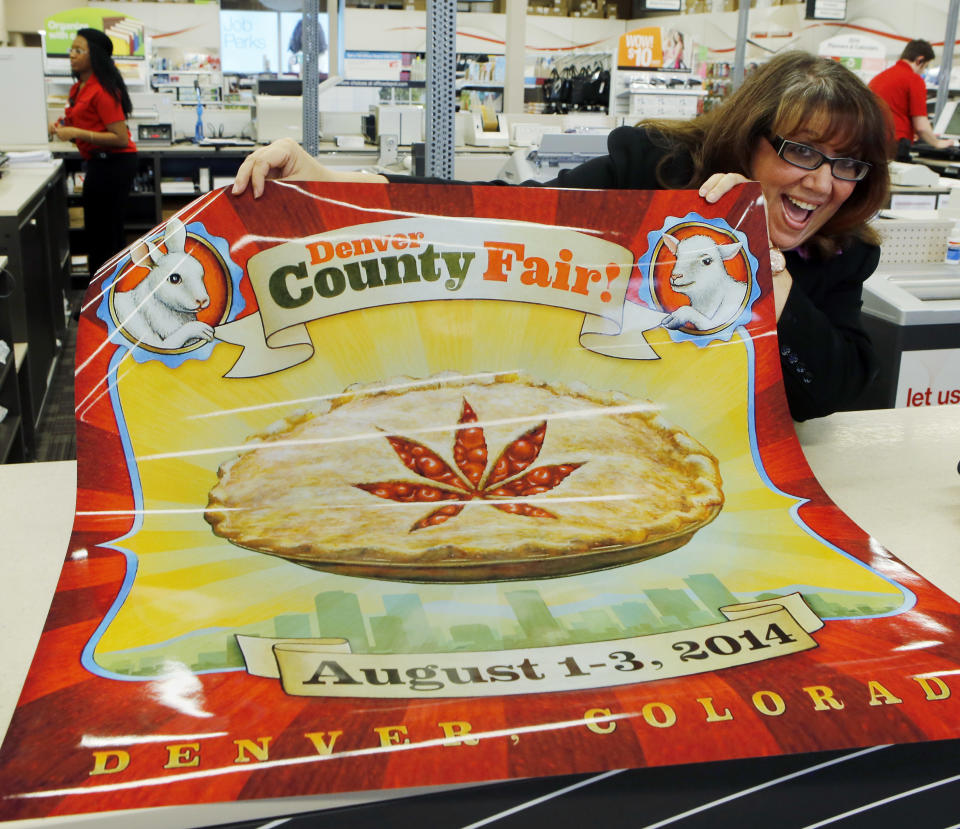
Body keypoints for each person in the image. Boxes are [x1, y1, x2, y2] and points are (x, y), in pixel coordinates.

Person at [232, 51, 890, 422]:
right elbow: (492, 218)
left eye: (846, 164)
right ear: (751, 137)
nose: (823, 182)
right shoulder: (648, 172)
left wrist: (769, 280)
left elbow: (829, 392)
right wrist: (328, 185)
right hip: (579, 432)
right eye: (802, 152)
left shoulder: (841, 251)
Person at [49, 27, 138, 282]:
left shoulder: (103, 90)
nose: (72, 55)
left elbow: (120, 138)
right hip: (99, 164)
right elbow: (77, 121)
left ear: (94, 55)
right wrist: (60, 127)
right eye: (72, 50)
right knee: (96, 234)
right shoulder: (79, 89)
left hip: (114, 164)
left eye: (79, 50)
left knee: (107, 235)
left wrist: (77, 131)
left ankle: (109, 296)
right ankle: (98, 294)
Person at [868, 39, 955, 161]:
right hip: (896, 144)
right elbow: (921, 126)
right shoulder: (914, 79)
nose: (923, 71)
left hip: (871, 141)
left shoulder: (878, 78)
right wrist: (938, 143)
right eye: (924, 67)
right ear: (919, 60)